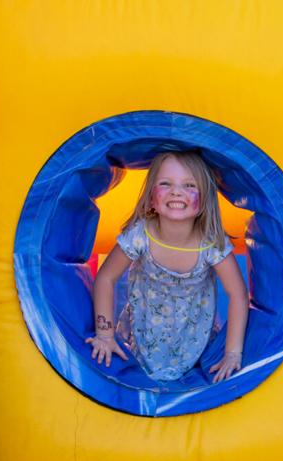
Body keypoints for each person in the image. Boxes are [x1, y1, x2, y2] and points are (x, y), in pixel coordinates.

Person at [86, 150, 248, 384]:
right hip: (143, 332)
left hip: (194, 336)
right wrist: (104, 334)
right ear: (152, 196)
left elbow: (238, 294)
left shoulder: (211, 244)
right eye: (165, 183)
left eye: (189, 185)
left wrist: (233, 353)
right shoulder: (140, 235)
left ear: (205, 199)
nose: (176, 191)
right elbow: (106, 278)